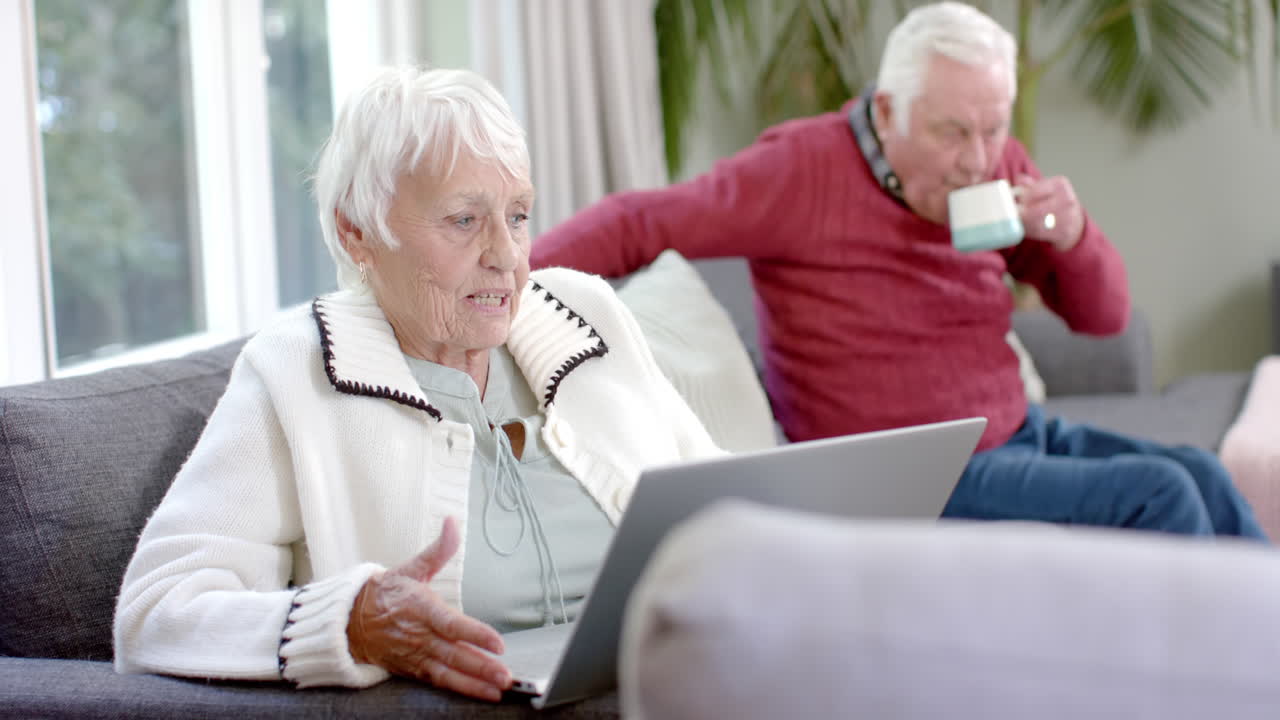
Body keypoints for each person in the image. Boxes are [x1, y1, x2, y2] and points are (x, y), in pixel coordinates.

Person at [530, 3, 1267, 540]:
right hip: (909, 473)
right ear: (887, 112)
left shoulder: (992, 167)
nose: (980, 158)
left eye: (994, 127)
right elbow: (641, 220)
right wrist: (507, 277)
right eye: (953, 132)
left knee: (1202, 473)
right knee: (1163, 493)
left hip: (1014, 434)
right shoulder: (798, 172)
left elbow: (1102, 320)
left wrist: (1071, 237)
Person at [112, 66, 722, 702]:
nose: (506, 255)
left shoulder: (586, 313)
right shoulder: (296, 372)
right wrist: (353, 624)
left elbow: (720, 497)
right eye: (463, 220)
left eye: (517, 215)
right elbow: (156, 608)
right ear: (358, 233)